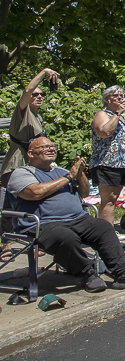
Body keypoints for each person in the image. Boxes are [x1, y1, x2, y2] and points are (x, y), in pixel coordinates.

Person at [7, 136, 125, 292]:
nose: (50, 149)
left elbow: (84, 193)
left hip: (78, 219)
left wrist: (80, 174)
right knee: (65, 237)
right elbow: (35, 192)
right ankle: (87, 273)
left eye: (52, 146)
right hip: (44, 224)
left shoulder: (61, 171)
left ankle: (123, 273)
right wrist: (69, 177)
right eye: (44, 147)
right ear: (30, 153)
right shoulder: (22, 173)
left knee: (103, 228)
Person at [2, 67, 58, 260]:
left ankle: (33, 241)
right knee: (10, 206)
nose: (39, 96)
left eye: (42, 94)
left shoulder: (37, 117)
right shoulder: (22, 112)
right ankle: (6, 243)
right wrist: (44, 73)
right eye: (36, 94)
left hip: (33, 167)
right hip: (16, 165)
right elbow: (27, 90)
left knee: (34, 204)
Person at [90, 85, 125, 225]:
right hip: (107, 163)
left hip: (122, 164)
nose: (120, 98)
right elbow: (105, 132)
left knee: (114, 199)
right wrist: (117, 114)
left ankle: (108, 231)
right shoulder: (102, 115)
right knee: (108, 200)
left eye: (122, 96)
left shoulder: (122, 117)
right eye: (116, 96)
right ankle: (106, 233)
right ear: (107, 99)